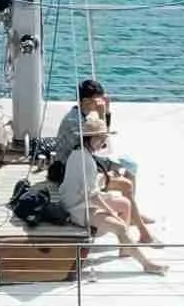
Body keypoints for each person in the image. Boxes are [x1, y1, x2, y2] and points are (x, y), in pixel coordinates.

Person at [56, 108, 166, 274]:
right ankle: (146, 263)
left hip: (82, 199)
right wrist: (111, 213)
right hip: (76, 207)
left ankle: (125, 247)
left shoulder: (82, 153)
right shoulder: (84, 160)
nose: (103, 142)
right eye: (101, 138)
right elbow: (92, 196)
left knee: (125, 204)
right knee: (120, 226)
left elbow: (90, 189)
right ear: (91, 138)